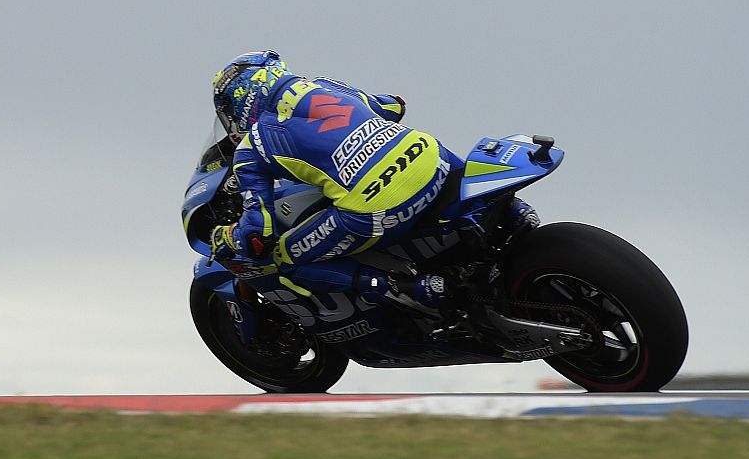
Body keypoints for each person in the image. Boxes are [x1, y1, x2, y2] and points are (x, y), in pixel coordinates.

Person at [207, 50, 534, 321]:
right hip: (433, 159)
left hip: (380, 206)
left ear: (242, 96)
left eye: (229, 110)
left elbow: (258, 234)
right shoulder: (323, 85)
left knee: (282, 259)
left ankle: (414, 290)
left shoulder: (253, 146)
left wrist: (225, 238)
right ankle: (513, 215)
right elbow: (392, 107)